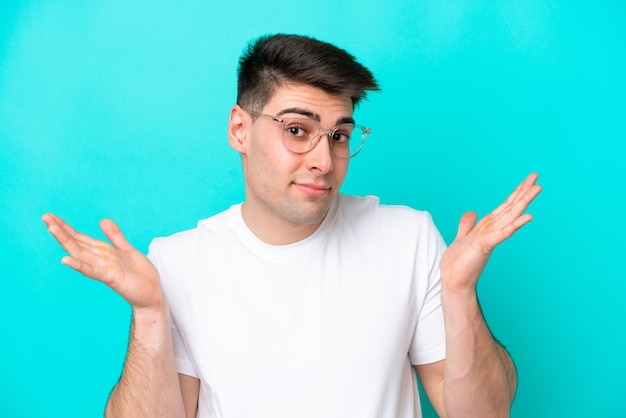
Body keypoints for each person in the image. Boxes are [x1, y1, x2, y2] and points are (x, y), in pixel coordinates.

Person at [42, 34, 541, 418]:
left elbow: (485, 413)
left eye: (340, 135)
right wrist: (151, 312)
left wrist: (459, 293)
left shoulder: (407, 237)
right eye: (297, 131)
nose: (324, 160)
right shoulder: (178, 261)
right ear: (240, 129)